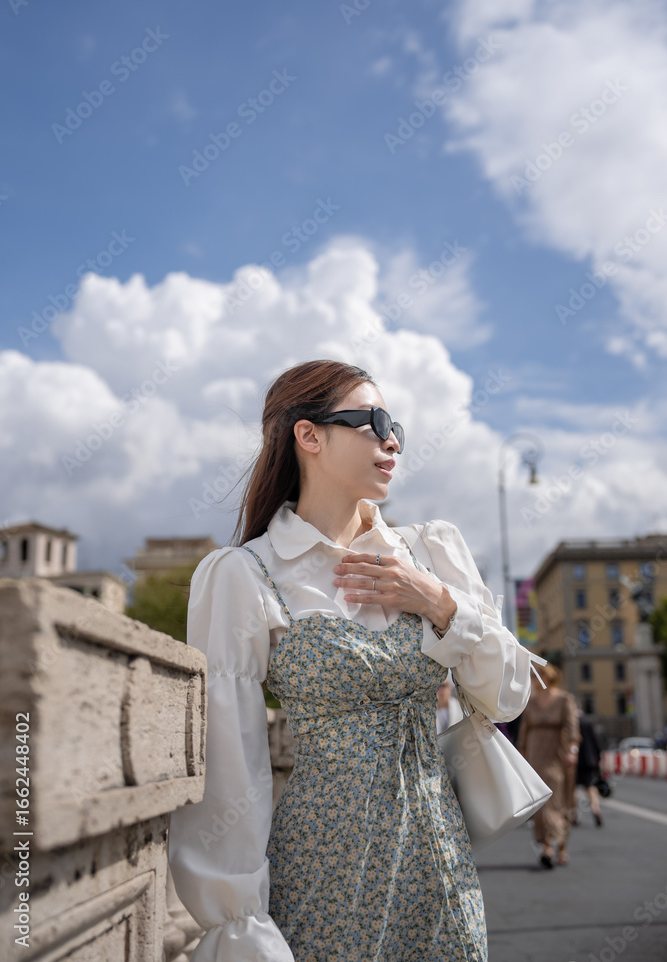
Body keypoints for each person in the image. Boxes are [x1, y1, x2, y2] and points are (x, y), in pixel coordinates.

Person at [167, 359, 548, 962]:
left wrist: (439, 603)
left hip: (440, 858)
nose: (391, 438)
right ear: (309, 436)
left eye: (393, 423)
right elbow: (230, 761)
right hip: (322, 866)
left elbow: (507, 697)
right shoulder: (245, 573)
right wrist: (240, 922)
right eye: (369, 421)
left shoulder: (431, 550)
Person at [517, 663, 580, 868]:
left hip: (557, 755)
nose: (533, 681)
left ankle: (559, 846)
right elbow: (524, 731)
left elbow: (572, 729)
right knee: (540, 801)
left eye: (536, 677)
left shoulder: (564, 699)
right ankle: (547, 845)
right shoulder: (531, 701)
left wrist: (572, 751)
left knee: (558, 799)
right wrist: (520, 755)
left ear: (547, 678)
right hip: (535, 755)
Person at [575, 707, 604, 826]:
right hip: (589, 760)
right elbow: (595, 741)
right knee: (591, 787)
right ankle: (595, 809)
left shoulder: (570, 721)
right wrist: (598, 758)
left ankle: (574, 815)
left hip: (575, 761)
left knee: (573, 789)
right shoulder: (588, 721)